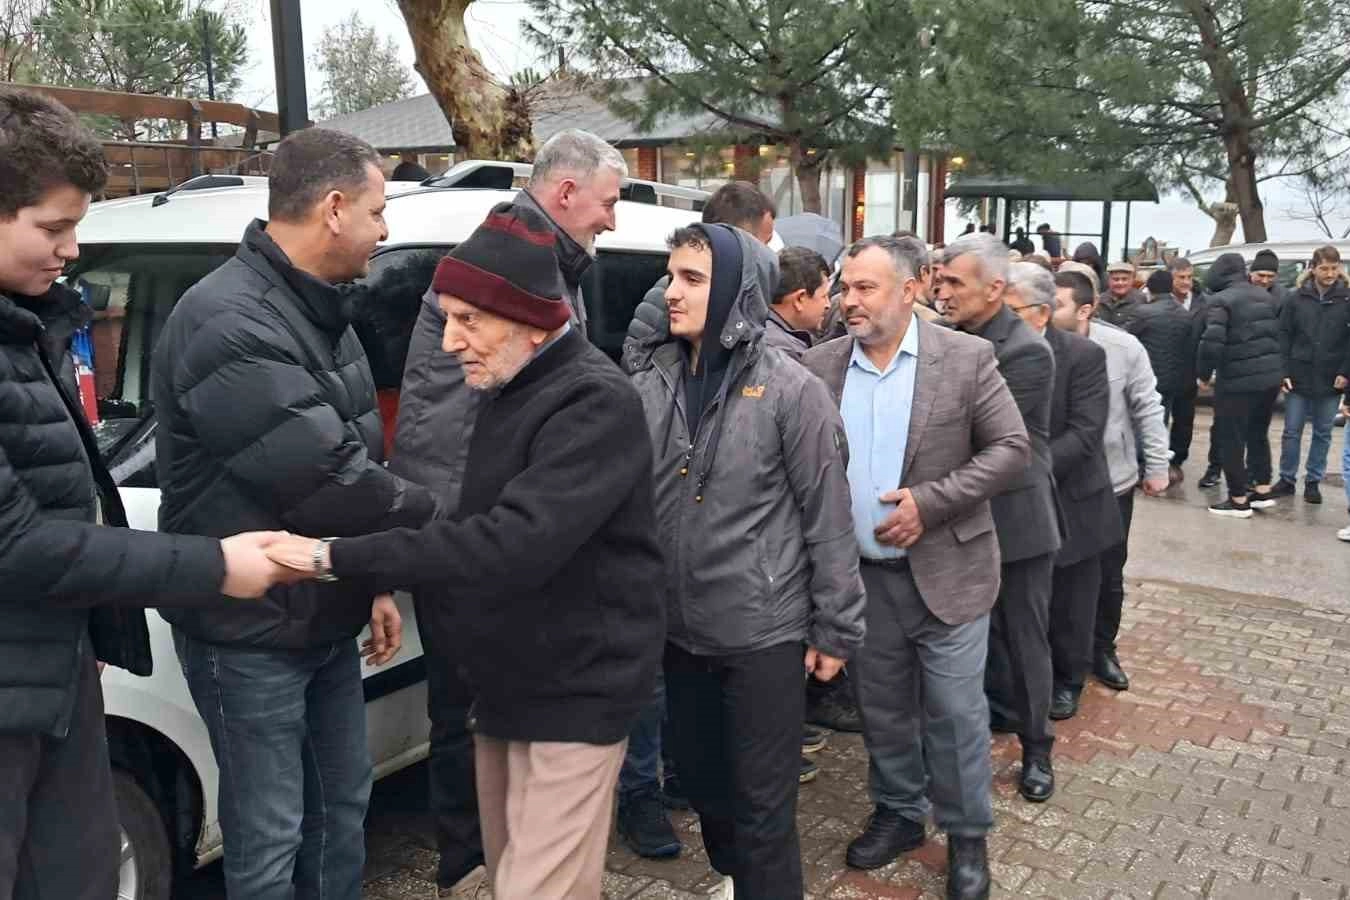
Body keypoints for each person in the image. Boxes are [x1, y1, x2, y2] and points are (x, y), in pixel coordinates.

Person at [263, 203, 666, 900]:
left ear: (530, 318)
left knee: (538, 889)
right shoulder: (510, 385)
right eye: (447, 318)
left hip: (576, 691)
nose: (450, 342)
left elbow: (510, 543)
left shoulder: (594, 402)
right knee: (515, 877)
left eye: (468, 320)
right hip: (506, 685)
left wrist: (335, 557)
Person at [0, 86, 289, 900]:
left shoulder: (26, 326)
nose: (71, 249)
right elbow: (16, 543)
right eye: (52, 228)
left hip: (52, 675)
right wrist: (213, 566)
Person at [150, 128, 443, 900]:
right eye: (378, 212)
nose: (385, 231)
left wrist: (372, 581)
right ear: (334, 208)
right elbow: (329, 480)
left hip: (320, 613)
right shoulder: (229, 322)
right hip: (249, 635)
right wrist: (446, 513)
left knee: (340, 808)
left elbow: (353, 458)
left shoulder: (317, 309)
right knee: (270, 836)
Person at [387, 129, 633, 886]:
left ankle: (497, 857)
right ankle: (472, 867)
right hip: (473, 532)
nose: (613, 219)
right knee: (467, 710)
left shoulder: (547, 258)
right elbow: (461, 423)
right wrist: (490, 539)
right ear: (566, 192)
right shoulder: (508, 264)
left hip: (484, 531)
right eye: (608, 201)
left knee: (482, 710)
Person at [627, 222, 864, 900]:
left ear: (735, 290)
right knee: (707, 789)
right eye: (670, 276)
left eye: (692, 278)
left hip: (763, 633)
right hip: (679, 631)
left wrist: (835, 626)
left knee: (764, 811)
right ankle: (739, 879)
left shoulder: (791, 390)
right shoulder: (652, 382)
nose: (671, 292)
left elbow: (828, 514)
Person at [804, 236, 1030, 900]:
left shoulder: (964, 358)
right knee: (881, 709)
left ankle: (966, 836)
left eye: (865, 288)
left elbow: (1012, 448)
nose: (848, 301)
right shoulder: (819, 367)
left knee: (956, 714)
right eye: (844, 288)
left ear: (910, 290)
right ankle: (901, 813)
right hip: (861, 580)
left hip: (948, 573)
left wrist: (930, 504)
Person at [940, 235, 1061, 804]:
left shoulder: (1026, 351)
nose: (943, 292)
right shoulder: (950, 338)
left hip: (1015, 522)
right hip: (959, 518)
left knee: (1024, 640)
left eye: (954, 282)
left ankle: (1037, 748)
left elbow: (977, 435)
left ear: (994, 288)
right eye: (940, 280)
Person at [1007, 265, 1121, 721]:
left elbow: (1086, 432)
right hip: (1018, 502)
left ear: (1040, 312)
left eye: (1012, 311)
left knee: (1073, 602)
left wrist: (1021, 469)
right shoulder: (994, 351)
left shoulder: (1082, 355)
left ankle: (1068, 681)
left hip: (1074, 499)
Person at [1052, 270, 1168, 694]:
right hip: (1056, 481)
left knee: (1107, 573)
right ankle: (1060, 657)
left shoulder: (1123, 347)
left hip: (1112, 481)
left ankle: (1102, 649)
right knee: (1061, 576)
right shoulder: (1037, 345)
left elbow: (1147, 407)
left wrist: (1157, 466)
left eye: (1056, 303)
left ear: (1085, 309)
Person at [623, 180, 776, 372]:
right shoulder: (665, 299)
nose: (672, 294)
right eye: (763, 243)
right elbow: (635, 365)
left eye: (692, 279)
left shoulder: (782, 376)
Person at [1197, 253, 1284, 517]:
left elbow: (1211, 342)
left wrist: (1203, 374)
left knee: (1230, 438)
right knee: (1258, 434)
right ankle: (1262, 490)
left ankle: (1237, 500)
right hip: (1269, 378)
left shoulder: (1221, 300)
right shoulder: (1265, 296)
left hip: (1237, 381)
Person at [1268, 246, 1350, 505]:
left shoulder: (1346, 298)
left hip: (1331, 376)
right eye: (1324, 268)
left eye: (1334, 268)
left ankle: (1313, 480)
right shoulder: (1295, 298)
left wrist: (1345, 371)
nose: (1330, 274)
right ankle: (1287, 478)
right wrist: (1283, 371)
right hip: (1299, 375)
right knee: (1292, 431)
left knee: (1323, 432)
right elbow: (1283, 335)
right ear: (1313, 268)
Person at [1128, 269, 1193, 440]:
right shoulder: (1184, 314)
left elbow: (1127, 338)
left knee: (1141, 422)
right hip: (1173, 379)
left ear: (1150, 289)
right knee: (1160, 421)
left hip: (1148, 376)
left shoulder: (1143, 312)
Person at [1166, 257, 1211, 485]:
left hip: (1189, 371)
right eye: (1180, 277)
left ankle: (1177, 459)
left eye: (1189, 277)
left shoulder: (1204, 303)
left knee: (1184, 419)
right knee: (1159, 417)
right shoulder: (1159, 300)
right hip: (1163, 370)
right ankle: (1157, 459)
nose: (1186, 282)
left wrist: (1205, 370)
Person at [767, 245, 832, 359]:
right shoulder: (785, 354)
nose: (828, 305)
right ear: (799, 299)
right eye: (824, 296)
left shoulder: (762, 331)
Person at [1097, 261, 1145, 327]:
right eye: (1116, 279)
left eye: (1124, 279)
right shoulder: (1099, 300)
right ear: (1109, 280)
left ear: (1132, 280)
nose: (1120, 283)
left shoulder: (1141, 300)